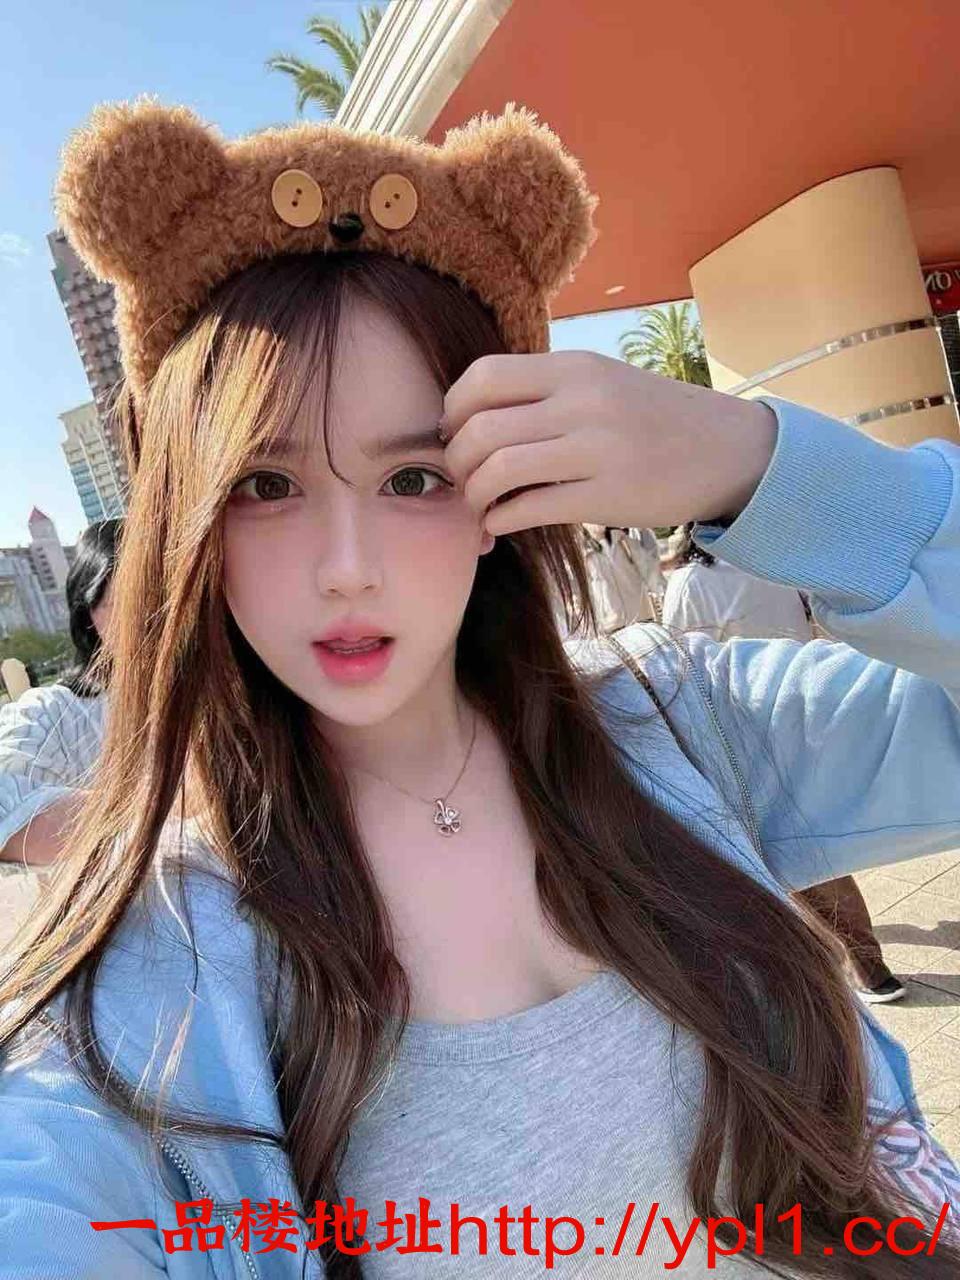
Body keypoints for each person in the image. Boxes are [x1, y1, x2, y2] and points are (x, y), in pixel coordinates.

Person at [1, 100, 960, 1279]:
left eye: (413, 476)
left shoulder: (676, 722)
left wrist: (755, 461)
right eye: (265, 484)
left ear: (504, 495)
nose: (347, 565)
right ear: (185, 516)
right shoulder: (164, 962)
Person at [662, 526, 907, 1004]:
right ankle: (846, 961)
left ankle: (866, 968)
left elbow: (678, 669)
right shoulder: (776, 564)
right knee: (808, 848)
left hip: (745, 732)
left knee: (801, 856)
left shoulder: (693, 584)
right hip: (807, 710)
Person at [0, 518, 119, 868]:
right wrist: (163, 825)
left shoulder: (238, 692)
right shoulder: (59, 712)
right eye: (122, 600)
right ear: (88, 613)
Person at [580, 523, 664, 633]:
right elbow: (579, 594)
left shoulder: (624, 541)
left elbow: (649, 573)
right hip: (611, 625)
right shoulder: (582, 553)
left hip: (641, 618)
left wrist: (661, 595)